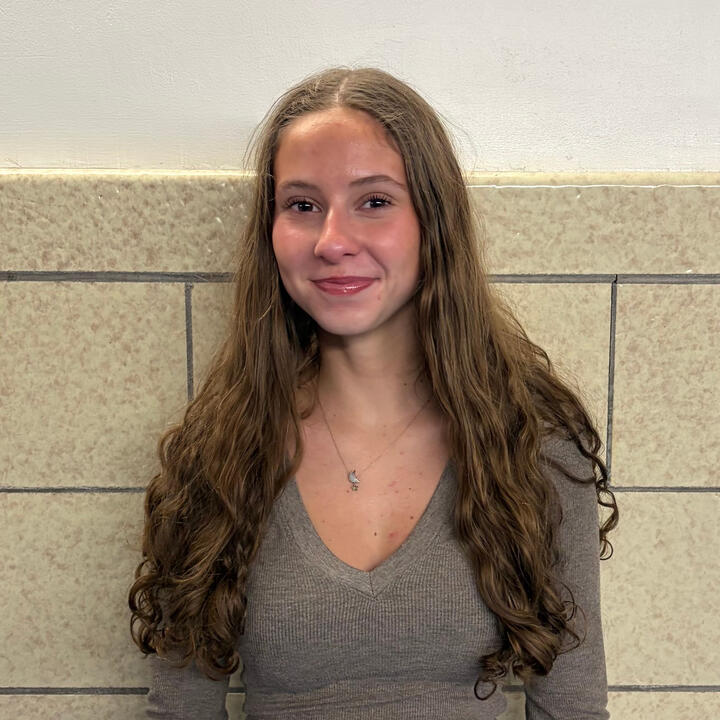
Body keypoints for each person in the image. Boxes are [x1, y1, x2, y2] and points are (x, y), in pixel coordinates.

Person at [128, 66, 619, 719]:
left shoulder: (534, 443)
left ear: (433, 221)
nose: (333, 241)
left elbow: (572, 708)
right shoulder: (217, 455)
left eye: (375, 201)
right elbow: (179, 710)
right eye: (302, 206)